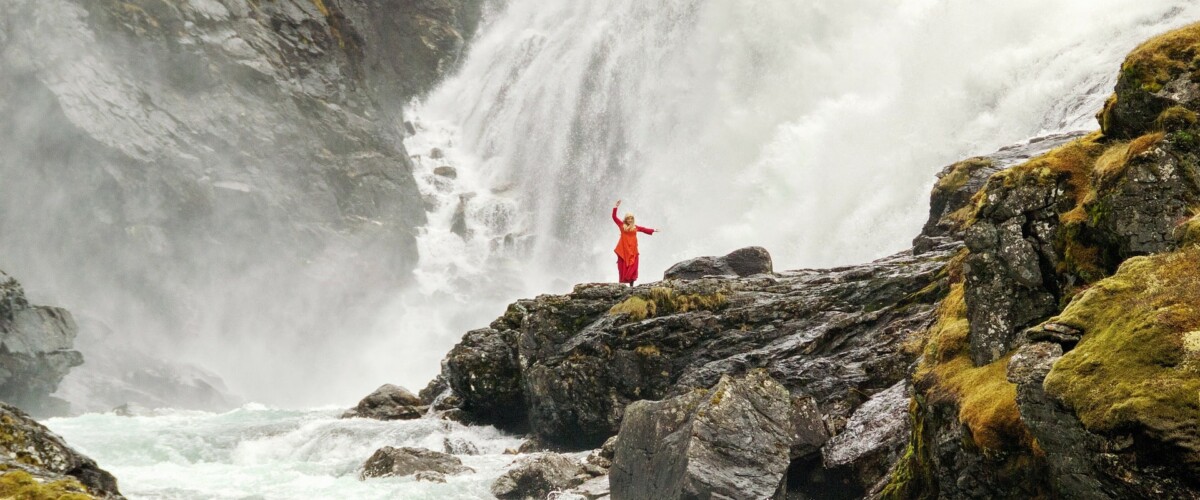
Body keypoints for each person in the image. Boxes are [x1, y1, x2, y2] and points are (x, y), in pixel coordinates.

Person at [612, 199, 659, 287]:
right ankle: (622, 285)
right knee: (623, 266)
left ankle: (631, 286)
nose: (630, 220)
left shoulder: (635, 227)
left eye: (631, 218)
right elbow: (614, 217)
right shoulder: (622, 226)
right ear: (625, 219)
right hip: (625, 249)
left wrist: (653, 230)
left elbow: (644, 229)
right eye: (628, 218)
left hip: (633, 250)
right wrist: (616, 206)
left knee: (633, 267)